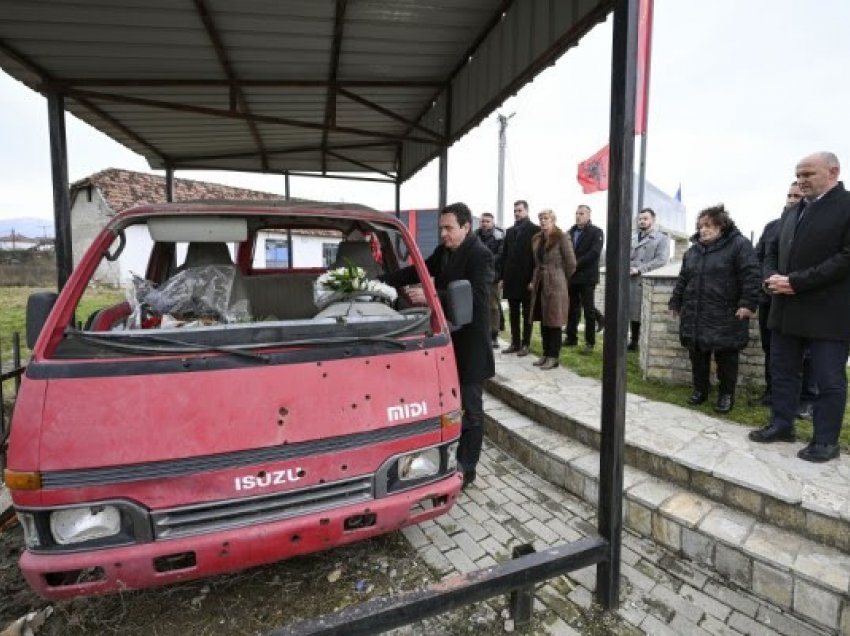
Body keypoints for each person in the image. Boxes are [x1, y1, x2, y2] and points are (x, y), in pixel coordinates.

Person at [380, 202, 495, 486]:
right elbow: (416, 271)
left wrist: (433, 297)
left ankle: (467, 468)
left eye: (449, 228)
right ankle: (445, 456)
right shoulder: (444, 251)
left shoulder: (481, 255)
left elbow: (479, 300)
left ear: (466, 227)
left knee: (472, 408)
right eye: (441, 228)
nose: (443, 234)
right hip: (447, 340)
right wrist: (380, 282)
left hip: (470, 343)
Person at [751, 151, 850, 463]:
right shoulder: (794, 211)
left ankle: (825, 441)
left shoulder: (847, 206)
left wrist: (796, 281)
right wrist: (770, 278)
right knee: (782, 371)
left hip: (828, 313)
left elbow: (846, 258)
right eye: (798, 174)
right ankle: (782, 425)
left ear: (833, 172)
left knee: (827, 380)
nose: (801, 181)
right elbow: (771, 250)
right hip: (786, 309)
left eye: (808, 174)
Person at [669, 204, 761, 414]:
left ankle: (726, 395)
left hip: (726, 313)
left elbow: (751, 275)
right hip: (696, 312)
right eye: (701, 226)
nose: (703, 230)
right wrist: (676, 301)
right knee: (697, 354)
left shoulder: (739, 245)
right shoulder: (693, 251)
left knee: (726, 357)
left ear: (721, 226)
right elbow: (684, 278)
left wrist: (747, 304)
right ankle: (700, 390)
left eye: (709, 225)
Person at [752, 182, 817, 414]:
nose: (792, 199)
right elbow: (759, 257)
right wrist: (768, 279)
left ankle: (807, 399)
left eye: (797, 195)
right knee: (772, 349)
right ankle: (772, 393)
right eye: (789, 194)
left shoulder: (813, 226)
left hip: (801, 300)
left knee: (807, 354)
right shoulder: (772, 227)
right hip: (771, 300)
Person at [528, 209, 577, 370]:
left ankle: (553, 356)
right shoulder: (536, 238)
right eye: (541, 218)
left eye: (546, 218)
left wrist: (561, 278)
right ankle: (545, 353)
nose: (543, 221)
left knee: (554, 321)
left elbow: (571, 263)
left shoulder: (562, 237)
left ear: (553, 219)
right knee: (543, 319)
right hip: (541, 281)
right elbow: (536, 262)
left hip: (556, 283)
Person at [500, 200, 539, 357]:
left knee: (527, 313)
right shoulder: (509, 231)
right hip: (511, 279)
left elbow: (537, 257)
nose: (516, 213)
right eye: (515, 210)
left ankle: (526, 344)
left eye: (520, 210)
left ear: (527, 211)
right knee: (513, 313)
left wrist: (533, 280)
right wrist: (502, 277)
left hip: (527, 279)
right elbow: (505, 256)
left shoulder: (535, 230)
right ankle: (515, 343)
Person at [628, 208, 670, 351]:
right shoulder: (633, 237)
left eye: (645, 218)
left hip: (645, 280)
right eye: (640, 219)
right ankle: (633, 341)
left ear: (653, 219)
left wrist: (640, 269)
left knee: (642, 313)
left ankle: (642, 341)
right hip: (630, 279)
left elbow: (661, 260)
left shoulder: (661, 238)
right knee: (632, 313)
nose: (642, 221)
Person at [565, 204, 604, 355]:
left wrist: (575, 263)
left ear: (588, 215)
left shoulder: (596, 232)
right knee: (572, 309)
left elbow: (594, 253)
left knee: (588, 311)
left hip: (587, 277)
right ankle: (571, 337)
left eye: (581, 213)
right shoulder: (570, 231)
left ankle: (589, 342)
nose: (578, 216)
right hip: (572, 277)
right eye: (576, 213)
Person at [475, 211, 505, 348]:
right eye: (483, 221)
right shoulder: (474, 235)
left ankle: (494, 335)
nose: (485, 224)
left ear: (492, 223)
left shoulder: (499, 236)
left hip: (493, 276)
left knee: (493, 307)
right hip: (477, 276)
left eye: (487, 221)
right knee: (478, 305)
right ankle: (481, 333)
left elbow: (501, 255)